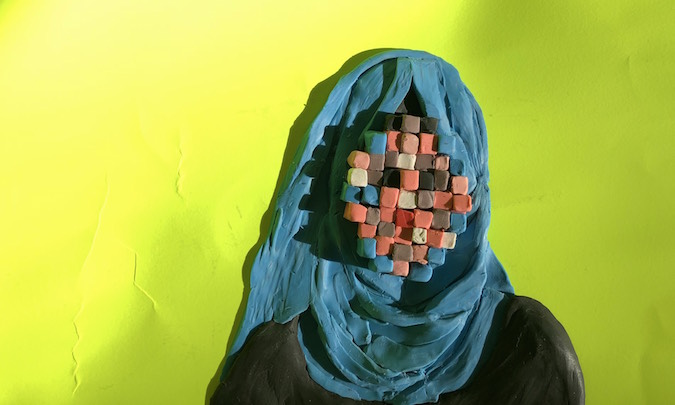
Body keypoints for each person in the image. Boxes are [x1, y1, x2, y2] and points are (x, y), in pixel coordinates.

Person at [211, 50, 584, 405]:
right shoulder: (276, 362)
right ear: (338, 177)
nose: (406, 196)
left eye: (432, 172)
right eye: (381, 170)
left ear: (471, 187)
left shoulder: (528, 351)